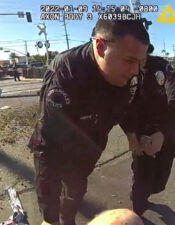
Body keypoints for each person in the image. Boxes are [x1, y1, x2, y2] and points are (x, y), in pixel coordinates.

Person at [28, 16, 149, 225]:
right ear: (101, 46)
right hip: (54, 143)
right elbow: (48, 144)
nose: (135, 71)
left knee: (75, 192)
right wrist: (49, 219)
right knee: (50, 191)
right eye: (129, 60)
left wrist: (133, 133)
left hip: (89, 149)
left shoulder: (129, 76)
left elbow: (129, 108)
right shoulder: (67, 72)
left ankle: (68, 219)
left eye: (140, 62)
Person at [124, 45, 175, 216]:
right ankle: (137, 208)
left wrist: (162, 133)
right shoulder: (126, 70)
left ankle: (144, 193)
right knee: (141, 174)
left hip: (165, 127)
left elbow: (173, 98)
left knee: (160, 178)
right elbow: (122, 107)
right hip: (140, 129)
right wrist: (132, 136)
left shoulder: (162, 67)